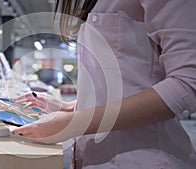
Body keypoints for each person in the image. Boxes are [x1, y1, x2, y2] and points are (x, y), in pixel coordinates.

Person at [13, 0, 196, 168]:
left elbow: (186, 83)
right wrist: (69, 107)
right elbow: (130, 82)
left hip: (145, 158)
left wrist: (74, 123)